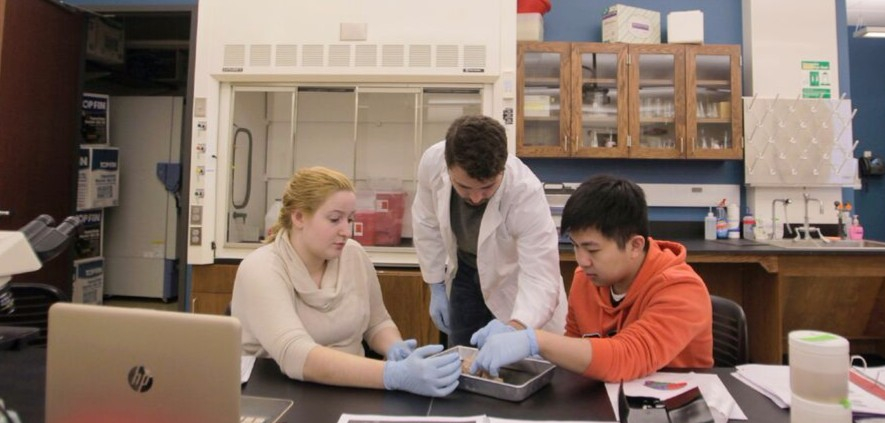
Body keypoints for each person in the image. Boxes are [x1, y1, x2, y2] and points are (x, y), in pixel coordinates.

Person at [231, 166, 461, 397]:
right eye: (334, 219)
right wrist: (392, 374)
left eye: (350, 219)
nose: (347, 231)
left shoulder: (352, 255)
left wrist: (394, 346)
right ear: (299, 217)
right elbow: (296, 356)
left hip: (350, 387)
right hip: (276, 395)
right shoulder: (261, 268)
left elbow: (377, 323)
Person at [470, 175, 713, 382]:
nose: (582, 260)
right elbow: (576, 352)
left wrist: (536, 340)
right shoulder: (586, 280)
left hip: (676, 410)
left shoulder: (682, 289)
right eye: (576, 246)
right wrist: (525, 351)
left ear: (635, 245)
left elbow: (627, 357)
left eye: (593, 249)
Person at [411, 115, 568, 349]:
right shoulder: (433, 162)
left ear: (502, 168)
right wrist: (436, 285)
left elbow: (540, 276)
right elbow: (426, 222)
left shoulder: (525, 192)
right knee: (463, 358)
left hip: (513, 281)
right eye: (464, 186)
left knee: (518, 365)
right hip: (464, 269)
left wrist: (516, 327)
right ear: (448, 165)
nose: (475, 197)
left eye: (487, 188)